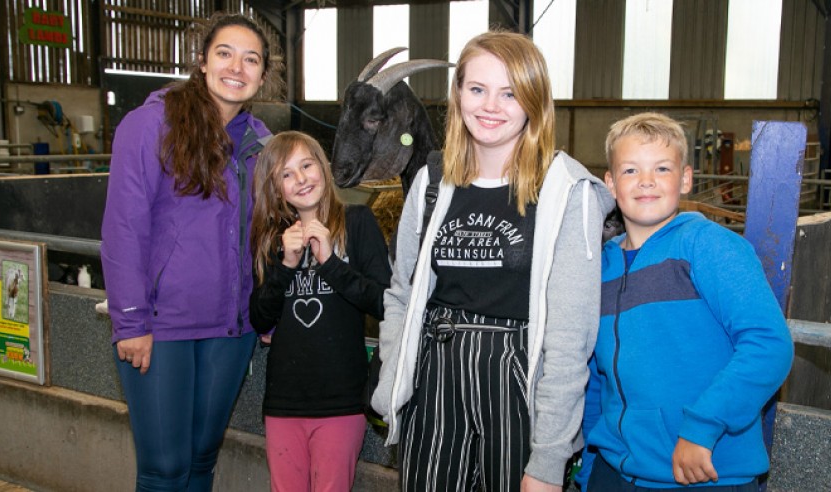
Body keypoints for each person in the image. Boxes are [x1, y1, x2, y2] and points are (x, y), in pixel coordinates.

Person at [370, 31, 614, 492]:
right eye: (477, 89)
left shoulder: (566, 193)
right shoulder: (430, 183)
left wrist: (548, 457)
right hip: (434, 376)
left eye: (510, 93)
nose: (490, 106)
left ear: (533, 103)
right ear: (458, 92)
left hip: (517, 383)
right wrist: (393, 374)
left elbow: (569, 337)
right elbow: (401, 292)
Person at [100, 12, 282, 491]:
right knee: (164, 468)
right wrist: (131, 321)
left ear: (263, 75)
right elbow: (124, 228)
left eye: (251, 60)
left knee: (201, 462)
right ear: (202, 61)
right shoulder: (149, 125)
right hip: (162, 328)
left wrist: (266, 310)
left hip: (231, 327)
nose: (237, 68)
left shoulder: (261, 142)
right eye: (225, 54)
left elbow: (268, 232)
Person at [576, 112, 794, 491]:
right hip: (614, 470)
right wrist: (590, 459)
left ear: (686, 178)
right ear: (610, 183)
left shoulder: (707, 246)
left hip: (700, 472)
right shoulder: (601, 267)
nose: (646, 181)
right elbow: (598, 374)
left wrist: (702, 427)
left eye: (662, 168)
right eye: (630, 171)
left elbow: (768, 344)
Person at [248, 131, 391, 491]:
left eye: (306, 165)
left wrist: (330, 263)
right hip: (284, 402)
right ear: (275, 188)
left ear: (323, 166)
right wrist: (285, 265)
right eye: (286, 174)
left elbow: (384, 301)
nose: (300, 179)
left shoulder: (356, 222)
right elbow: (259, 318)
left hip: (341, 401)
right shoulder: (274, 238)